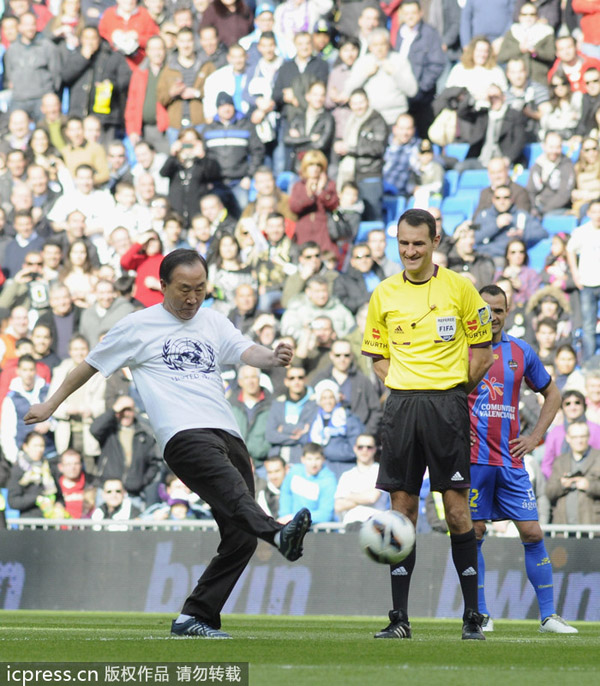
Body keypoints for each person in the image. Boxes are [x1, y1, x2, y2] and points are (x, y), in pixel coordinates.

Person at [24, 248, 311, 639]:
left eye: (200, 289)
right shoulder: (137, 326)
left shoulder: (211, 320)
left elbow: (245, 350)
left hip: (228, 433)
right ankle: (278, 534)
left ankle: (195, 617)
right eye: (184, 290)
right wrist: (51, 405)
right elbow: (89, 366)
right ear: (162, 287)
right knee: (241, 501)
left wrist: (274, 357)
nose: (193, 298)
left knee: (240, 535)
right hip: (183, 434)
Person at [361, 208, 494, 640]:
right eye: (403, 243)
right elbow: (377, 354)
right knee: (402, 511)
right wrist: (404, 383)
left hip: (447, 407)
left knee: (458, 511)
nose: (410, 251)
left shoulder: (459, 288)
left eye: (418, 243)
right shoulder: (383, 293)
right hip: (402, 407)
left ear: (434, 241)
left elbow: (483, 352)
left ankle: (472, 616)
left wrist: (452, 391)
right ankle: (399, 619)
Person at [468, 284, 577, 634]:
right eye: (486, 309)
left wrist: (534, 438)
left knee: (531, 532)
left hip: (512, 461)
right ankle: (480, 614)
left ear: (508, 312)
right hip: (473, 461)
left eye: (499, 310)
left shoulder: (520, 350)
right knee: (475, 533)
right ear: (475, 310)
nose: (493, 316)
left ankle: (548, 616)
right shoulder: (460, 349)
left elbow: (553, 393)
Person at [546, 422, 600, 525]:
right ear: (568, 438)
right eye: (575, 437)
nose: (579, 441)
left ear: (588, 437)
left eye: (582, 436)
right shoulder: (560, 461)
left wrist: (590, 486)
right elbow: (549, 492)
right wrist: (562, 485)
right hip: (563, 527)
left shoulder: (598, 457)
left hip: (593, 528)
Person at [566, 197, 600, 361]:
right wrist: (575, 273)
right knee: (588, 325)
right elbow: (570, 249)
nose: (598, 215)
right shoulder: (582, 231)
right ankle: (589, 361)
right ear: (588, 213)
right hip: (587, 283)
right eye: (594, 211)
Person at [334, 432, 388, 525]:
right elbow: (338, 506)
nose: (364, 450)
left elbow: (371, 498)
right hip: (350, 526)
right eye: (360, 447)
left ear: (375, 449)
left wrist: (349, 495)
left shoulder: (381, 471)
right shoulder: (346, 475)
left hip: (374, 525)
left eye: (369, 447)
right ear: (355, 449)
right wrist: (363, 498)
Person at [278, 442, 337, 524]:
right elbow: (286, 493)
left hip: (316, 530)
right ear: (303, 459)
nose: (313, 464)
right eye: (309, 459)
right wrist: (285, 516)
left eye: (317, 459)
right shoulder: (294, 471)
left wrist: (295, 518)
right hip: (292, 526)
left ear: (323, 459)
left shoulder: (329, 480)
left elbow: (325, 514)